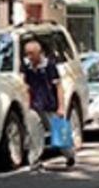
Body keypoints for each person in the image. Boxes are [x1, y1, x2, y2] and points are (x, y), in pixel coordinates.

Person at [22, 35, 73, 171]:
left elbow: (58, 87)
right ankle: (34, 161)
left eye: (32, 53)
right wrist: (27, 106)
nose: (29, 57)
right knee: (35, 134)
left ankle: (69, 155)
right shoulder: (28, 67)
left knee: (59, 134)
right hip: (35, 106)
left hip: (50, 105)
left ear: (39, 53)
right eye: (27, 53)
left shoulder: (49, 66)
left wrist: (61, 107)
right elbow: (27, 87)